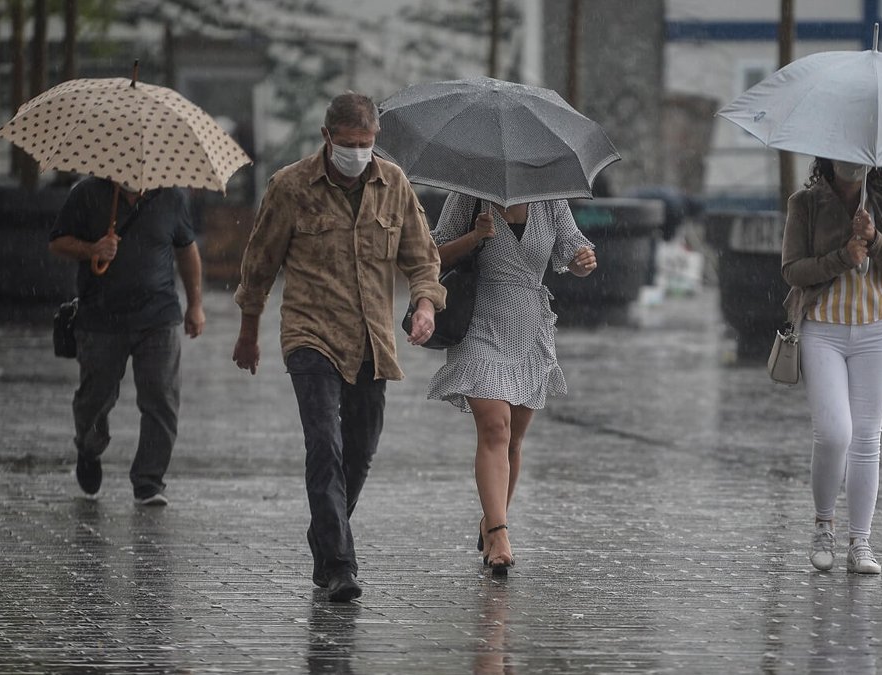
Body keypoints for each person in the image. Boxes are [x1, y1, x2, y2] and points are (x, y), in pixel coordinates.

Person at [232, 93, 446, 602]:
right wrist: (247, 331)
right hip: (311, 334)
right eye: (348, 144)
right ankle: (338, 565)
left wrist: (425, 306)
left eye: (366, 144)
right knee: (324, 444)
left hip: (373, 339)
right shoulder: (290, 187)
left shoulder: (393, 184)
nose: (357, 153)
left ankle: (325, 534)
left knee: (360, 452)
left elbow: (422, 258)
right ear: (327, 138)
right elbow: (259, 265)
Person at [427, 192, 597, 574]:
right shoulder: (469, 195)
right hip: (479, 326)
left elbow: (573, 249)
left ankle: (490, 521)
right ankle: (500, 533)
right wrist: (473, 238)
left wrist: (583, 261)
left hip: (529, 328)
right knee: (494, 428)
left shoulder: (550, 198)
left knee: (514, 441)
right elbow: (432, 255)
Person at [781, 158, 882, 575]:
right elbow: (792, 270)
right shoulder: (804, 203)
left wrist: (874, 238)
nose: (851, 166)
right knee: (833, 432)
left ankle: (860, 541)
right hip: (823, 329)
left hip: (877, 330)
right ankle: (824, 523)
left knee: (866, 439)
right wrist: (844, 255)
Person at [49, 177, 205, 506]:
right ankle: (89, 448)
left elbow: (186, 249)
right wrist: (92, 249)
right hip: (101, 319)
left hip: (158, 316)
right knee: (95, 397)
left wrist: (195, 305)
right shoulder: (87, 193)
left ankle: (149, 481)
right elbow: (57, 242)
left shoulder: (172, 196)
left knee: (162, 398)